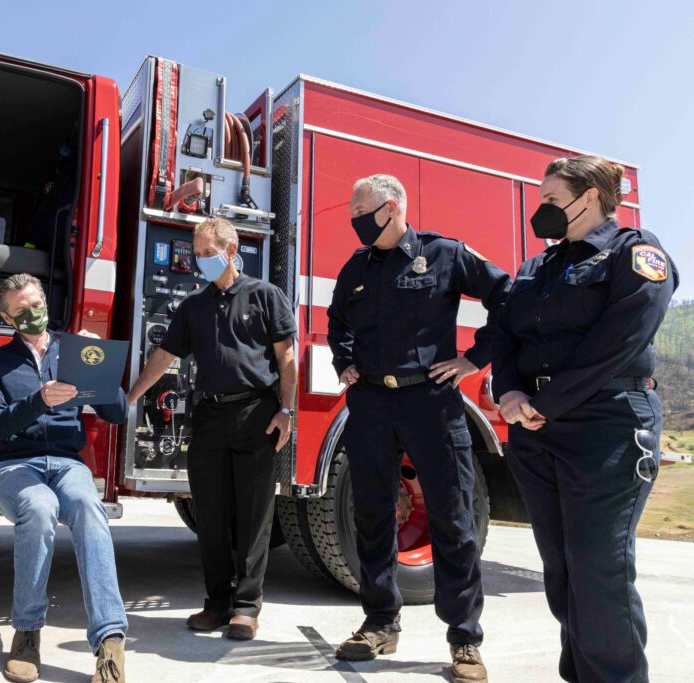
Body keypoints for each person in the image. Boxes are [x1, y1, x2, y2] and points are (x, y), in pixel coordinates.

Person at [492, 155, 678, 683]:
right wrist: (509, 392)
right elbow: (505, 333)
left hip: (608, 425)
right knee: (562, 570)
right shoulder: (538, 267)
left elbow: (620, 341)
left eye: (552, 199)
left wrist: (544, 403)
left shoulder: (636, 252)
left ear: (590, 197)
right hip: (537, 430)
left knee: (599, 570)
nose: (542, 209)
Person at [327, 174, 511, 682]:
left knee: (453, 519)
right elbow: (337, 321)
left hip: (430, 402)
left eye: (361, 212)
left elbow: (507, 295)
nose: (354, 221)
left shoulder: (444, 254)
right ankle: (380, 623)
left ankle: (464, 639)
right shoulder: (356, 267)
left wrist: (474, 358)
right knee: (372, 515)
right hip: (371, 404)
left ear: (391, 208)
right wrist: (344, 360)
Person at [126, 217, 297, 641]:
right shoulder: (194, 305)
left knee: (254, 514)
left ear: (231, 250)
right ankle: (217, 603)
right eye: (197, 253)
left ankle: (246, 607)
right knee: (211, 514)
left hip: (256, 414)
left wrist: (286, 410)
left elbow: (287, 357)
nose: (200, 260)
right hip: (209, 416)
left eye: (207, 252)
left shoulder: (265, 296)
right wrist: (131, 397)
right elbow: (165, 356)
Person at [0, 274, 128, 683]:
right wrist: (38, 400)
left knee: (88, 506)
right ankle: (26, 633)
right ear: (7, 318)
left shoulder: (71, 351)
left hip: (66, 462)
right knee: (39, 507)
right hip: (12, 465)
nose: (32, 313)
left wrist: (97, 361)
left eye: (36, 304)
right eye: (21, 310)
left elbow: (117, 413)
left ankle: (110, 641)